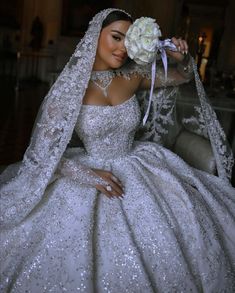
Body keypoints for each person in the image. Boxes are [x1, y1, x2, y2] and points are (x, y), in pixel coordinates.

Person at [0, 8, 235, 292]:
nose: (122, 48)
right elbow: (41, 154)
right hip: (88, 169)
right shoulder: (70, 90)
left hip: (137, 164)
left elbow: (183, 76)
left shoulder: (134, 76)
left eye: (128, 40)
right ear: (94, 36)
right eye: (115, 37)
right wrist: (88, 175)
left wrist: (181, 57)